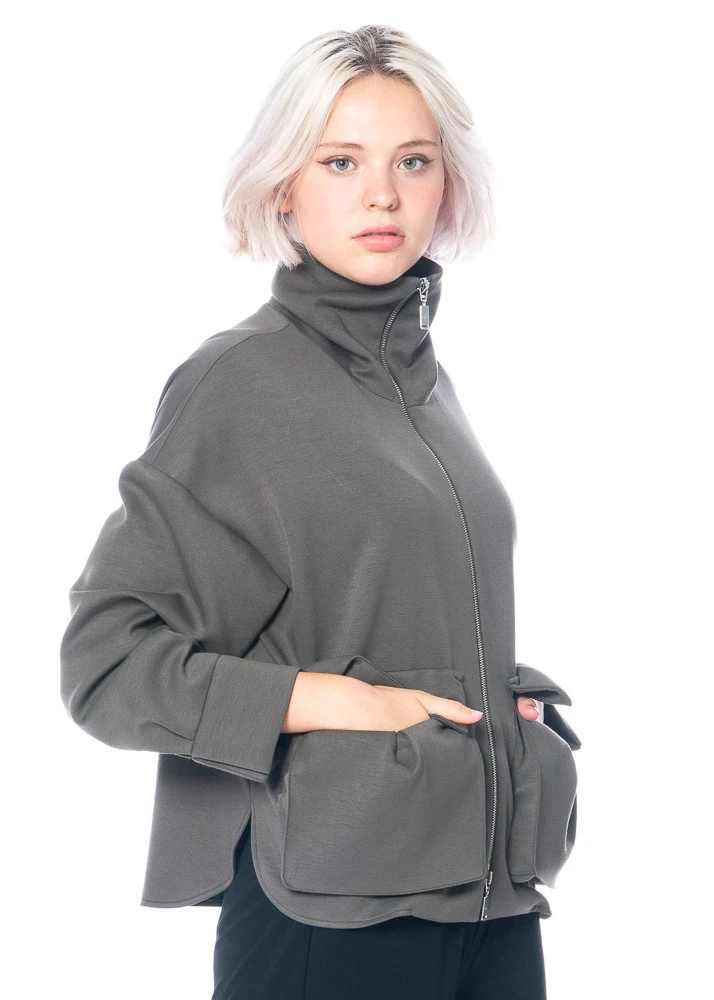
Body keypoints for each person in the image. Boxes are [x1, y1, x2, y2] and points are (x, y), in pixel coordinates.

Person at [60, 23, 582, 1000]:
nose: (382, 194)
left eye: (412, 161)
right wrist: (346, 703)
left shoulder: (425, 384)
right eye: (341, 161)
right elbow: (107, 664)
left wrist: (502, 710)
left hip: (490, 902)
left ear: (446, 183)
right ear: (282, 187)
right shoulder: (241, 383)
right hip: (333, 920)